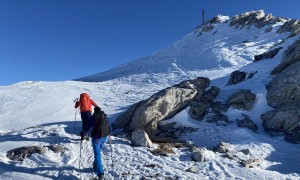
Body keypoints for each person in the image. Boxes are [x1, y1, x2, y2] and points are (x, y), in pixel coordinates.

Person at [80, 106, 111, 179]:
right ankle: (95, 166)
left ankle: (100, 174)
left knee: (97, 155)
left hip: (96, 139)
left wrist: (82, 133)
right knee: (98, 153)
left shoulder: (92, 118)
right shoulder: (105, 116)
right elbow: (108, 126)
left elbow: (87, 127)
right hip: (104, 137)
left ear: (94, 111)